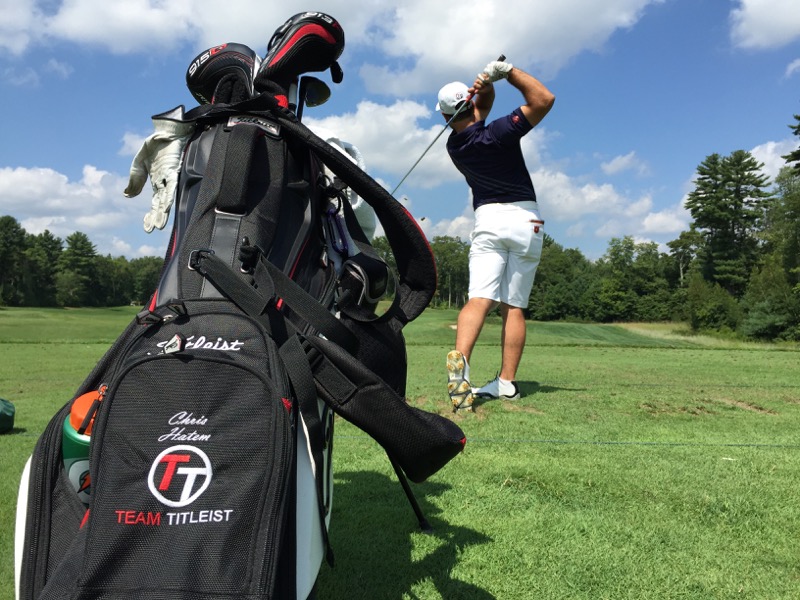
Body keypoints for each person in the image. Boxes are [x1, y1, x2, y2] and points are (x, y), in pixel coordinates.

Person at [438, 60, 555, 412]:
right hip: (524, 219)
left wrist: (485, 84)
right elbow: (544, 99)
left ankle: (461, 368)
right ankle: (506, 383)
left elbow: (480, 108)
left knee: (479, 299)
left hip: (488, 221)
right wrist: (509, 73)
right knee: (513, 306)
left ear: (445, 117)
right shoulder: (499, 132)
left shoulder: (455, 145)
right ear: (470, 105)